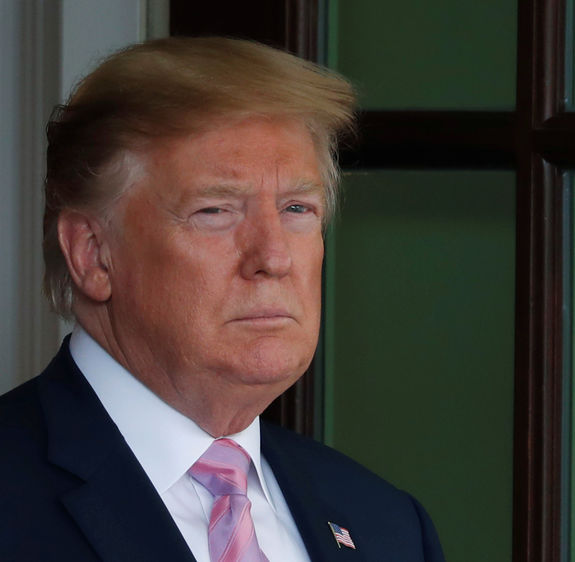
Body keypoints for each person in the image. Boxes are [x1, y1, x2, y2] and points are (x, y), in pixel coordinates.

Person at [0, 36, 445, 561]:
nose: (274, 257)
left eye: (297, 209)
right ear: (94, 255)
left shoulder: (387, 525)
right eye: (215, 211)